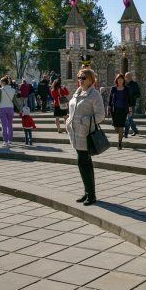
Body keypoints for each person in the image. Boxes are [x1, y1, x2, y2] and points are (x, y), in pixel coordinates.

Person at [66, 69, 105, 206]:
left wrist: (84, 121)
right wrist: (68, 121)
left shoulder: (94, 95)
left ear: (90, 79)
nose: (80, 80)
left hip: (85, 134)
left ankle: (91, 195)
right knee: (85, 164)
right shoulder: (78, 92)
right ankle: (88, 192)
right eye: (78, 77)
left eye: (83, 78)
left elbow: (100, 116)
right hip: (76, 134)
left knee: (83, 163)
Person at [0, 76, 17, 147]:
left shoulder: (1, 90)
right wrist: (20, 109)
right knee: (10, 125)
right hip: (10, 109)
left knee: (4, 125)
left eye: (0, 82)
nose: (0, 83)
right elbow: (15, 101)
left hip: (2, 109)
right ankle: (10, 140)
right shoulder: (13, 90)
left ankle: (5, 141)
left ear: (3, 82)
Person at [109, 73, 129, 150]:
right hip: (114, 110)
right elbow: (110, 99)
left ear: (123, 80)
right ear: (116, 80)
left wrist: (129, 109)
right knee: (116, 127)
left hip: (123, 110)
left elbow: (129, 100)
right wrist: (108, 106)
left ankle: (119, 143)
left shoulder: (126, 89)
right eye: (118, 79)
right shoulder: (113, 88)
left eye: (121, 79)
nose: (120, 80)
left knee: (121, 127)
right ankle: (120, 134)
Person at [123, 72, 141, 138]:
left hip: (131, 104)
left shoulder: (134, 84)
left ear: (131, 77)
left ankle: (126, 133)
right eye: (126, 76)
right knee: (129, 119)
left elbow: (138, 94)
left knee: (129, 118)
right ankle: (135, 131)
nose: (127, 78)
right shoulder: (123, 84)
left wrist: (132, 97)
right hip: (124, 105)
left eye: (129, 76)